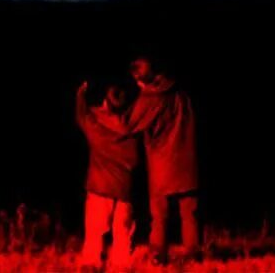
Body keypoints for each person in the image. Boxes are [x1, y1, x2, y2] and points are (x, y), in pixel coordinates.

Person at [117, 56, 198, 262]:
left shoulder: (150, 98)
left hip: (163, 163)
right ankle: (193, 253)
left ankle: (158, 254)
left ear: (140, 78)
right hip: (188, 161)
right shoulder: (181, 93)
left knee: (159, 214)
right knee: (189, 213)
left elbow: (127, 126)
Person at [75, 79, 139, 270]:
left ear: (105, 101)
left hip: (99, 187)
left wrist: (80, 94)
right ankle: (121, 265)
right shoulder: (132, 129)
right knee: (123, 236)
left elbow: (81, 115)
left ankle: (92, 264)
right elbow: (136, 161)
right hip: (124, 189)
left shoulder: (96, 125)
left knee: (94, 234)